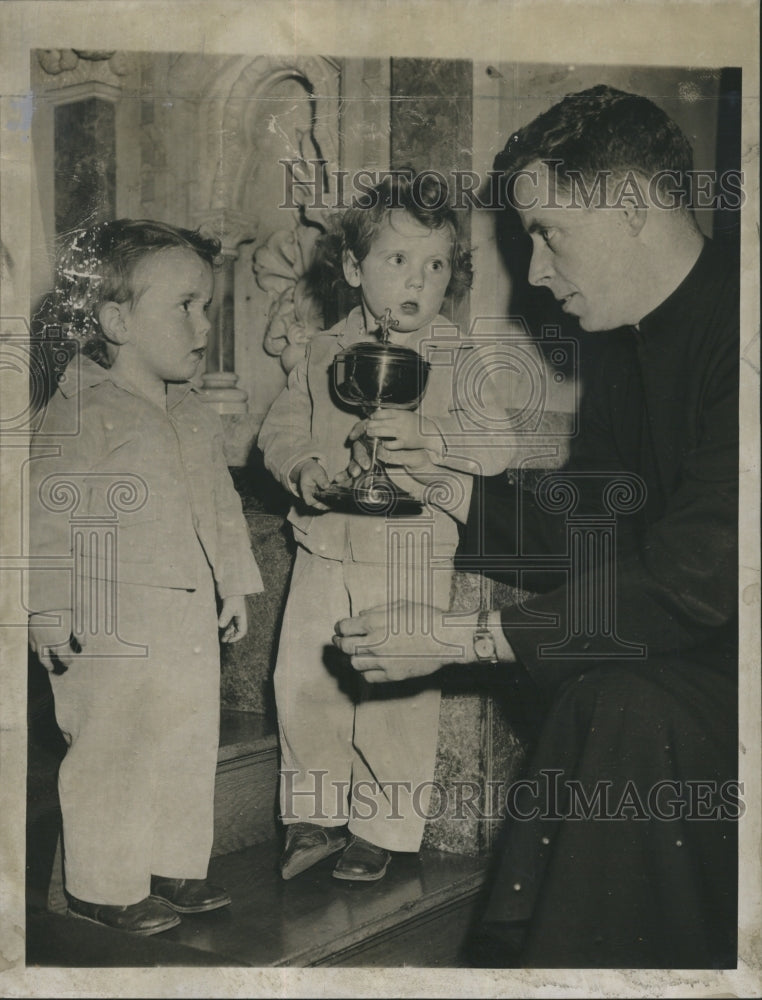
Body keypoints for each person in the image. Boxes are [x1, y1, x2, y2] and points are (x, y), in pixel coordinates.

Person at [334, 85, 739, 967]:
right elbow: (592, 518)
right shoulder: (625, 339)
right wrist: (449, 486)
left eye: (549, 233)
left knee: (624, 706)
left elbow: (699, 573)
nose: (540, 274)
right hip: (708, 655)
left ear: (632, 207)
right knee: (604, 697)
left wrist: (464, 635)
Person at [27, 220, 264, 935]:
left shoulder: (189, 411)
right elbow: (44, 514)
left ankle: (173, 865)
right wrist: (44, 608)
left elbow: (220, 506)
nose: (203, 325)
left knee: (185, 741)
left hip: (186, 619)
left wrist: (234, 582)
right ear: (115, 320)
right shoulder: (80, 408)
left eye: (207, 307)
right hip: (109, 618)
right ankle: (103, 882)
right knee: (114, 746)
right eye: (184, 306)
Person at [258, 174, 485, 882]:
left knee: (395, 695)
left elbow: (498, 443)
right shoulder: (327, 349)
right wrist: (300, 471)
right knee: (305, 681)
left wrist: (435, 439)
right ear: (354, 269)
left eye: (437, 265)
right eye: (398, 261)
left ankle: (383, 828)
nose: (420, 280)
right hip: (326, 546)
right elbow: (281, 428)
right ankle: (315, 817)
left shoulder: (458, 352)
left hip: (413, 552)